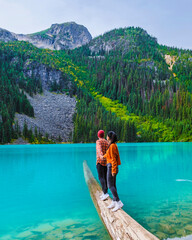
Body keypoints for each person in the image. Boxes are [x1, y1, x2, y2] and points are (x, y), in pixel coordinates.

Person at [102, 131, 124, 212]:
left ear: (109, 137)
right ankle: (114, 201)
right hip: (111, 166)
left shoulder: (112, 146)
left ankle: (119, 202)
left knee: (110, 185)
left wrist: (113, 171)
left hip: (111, 167)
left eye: (107, 136)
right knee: (113, 185)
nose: (106, 137)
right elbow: (108, 155)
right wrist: (102, 157)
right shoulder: (112, 145)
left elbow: (114, 159)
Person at [96, 130, 109, 201]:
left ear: (98, 135)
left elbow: (99, 149)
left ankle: (105, 193)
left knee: (101, 177)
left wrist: (101, 156)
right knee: (105, 177)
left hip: (100, 161)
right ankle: (105, 192)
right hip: (106, 162)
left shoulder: (98, 141)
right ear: (103, 135)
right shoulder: (107, 142)